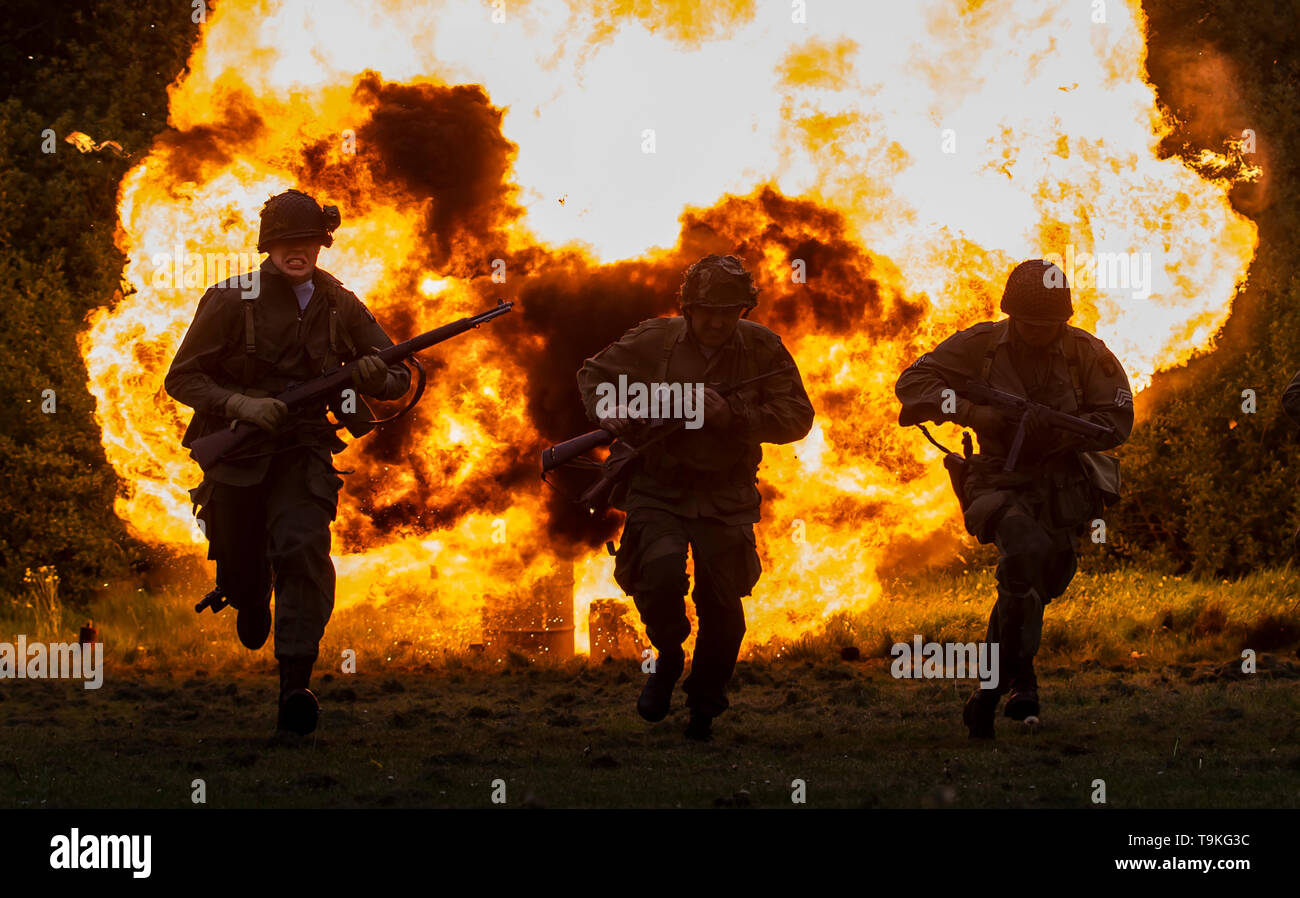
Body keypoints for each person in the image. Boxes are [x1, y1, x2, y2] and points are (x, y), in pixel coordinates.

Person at [165, 189, 411, 735]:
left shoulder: (339, 303)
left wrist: (375, 377)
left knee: (302, 549)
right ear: (268, 246)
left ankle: (295, 687)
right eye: (284, 242)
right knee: (239, 556)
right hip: (239, 452)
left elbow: (398, 374)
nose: (295, 251)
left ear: (320, 245)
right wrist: (240, 403)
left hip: (304, 450)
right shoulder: (230, 299)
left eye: (305, 241)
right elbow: (181, 378)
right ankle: (248, 595)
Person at [576, 254, 815, 741]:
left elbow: (797, 416)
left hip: (725, 495)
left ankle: (703, 709)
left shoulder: (762, 348)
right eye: (706, 310)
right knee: (658, 573)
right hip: (658, 487)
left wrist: (733, 414)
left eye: (728, 312)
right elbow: (594, 374)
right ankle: (668, 654)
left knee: (724, 612)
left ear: (744, 311)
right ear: (686, 308)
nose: (716, 321)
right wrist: (613, 406)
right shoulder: (653, 339)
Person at [895, 259, 1133, 738]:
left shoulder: (1087, 352)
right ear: (1010, 315)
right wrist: (971, 411)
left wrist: (1066, 431)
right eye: (1030, 324)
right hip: (997, 478)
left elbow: (1117, 422)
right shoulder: (979, 345)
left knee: (1037, 585)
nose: (1041, 334)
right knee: (1024, 552)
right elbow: (913, 383)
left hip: (1063, 485)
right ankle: (1011, 686)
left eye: (1051, 325)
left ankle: (994, 688)